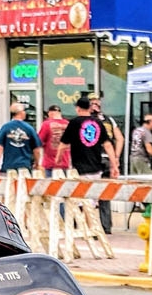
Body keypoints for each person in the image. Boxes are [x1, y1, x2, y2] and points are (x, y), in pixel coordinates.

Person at [66, 96, 114, 229]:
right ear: (90, 107)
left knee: (80, 199)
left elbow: (63, 144)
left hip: (79, 167)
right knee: (92, 200)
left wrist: (59, 160)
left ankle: (86, 227)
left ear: (78, 108)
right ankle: (92, 227)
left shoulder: (74, 123)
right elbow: (108, 144)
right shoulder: (99, 122)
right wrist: (115, 163)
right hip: (96, 166)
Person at [0, 102, 40, 172]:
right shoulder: (29, 128)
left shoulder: (5, 128)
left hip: (8, 167)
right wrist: (37, 164)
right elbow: (36, 149)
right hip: (25, 167)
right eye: (24, 111)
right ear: (21, 113)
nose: (25, 113)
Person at [37, 104, 70, 173]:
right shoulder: (68, 124)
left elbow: (38, 142)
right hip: (65, 163)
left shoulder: (46, 124)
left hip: (51, 164)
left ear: (50, 113)